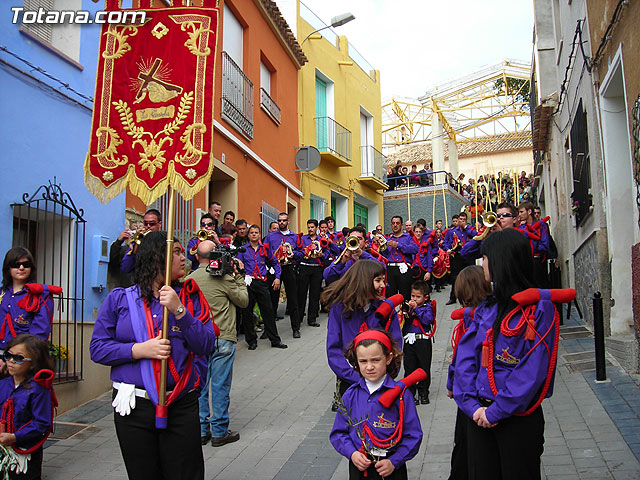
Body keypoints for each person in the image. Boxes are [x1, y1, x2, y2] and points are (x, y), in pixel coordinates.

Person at [90, 231, 216, 480]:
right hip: (134, 407)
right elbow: (98, 348)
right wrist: (137, 350)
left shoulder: (189, 297)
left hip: (181, 404)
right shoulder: (119, 300)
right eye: (177, 251)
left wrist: (180, 311)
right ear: (158, 257)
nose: (184, 257)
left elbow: (206, 344)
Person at [453, 229, 575, 479]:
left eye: (485, 257)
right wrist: (472, 406)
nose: (482, 263)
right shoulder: (486, 306)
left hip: (516, 418)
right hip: (478, 416)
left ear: (500, 259)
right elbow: (466, 359)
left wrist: (495, 412)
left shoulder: (539, 309)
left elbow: (532, 371)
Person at [330, 329, 423, 480]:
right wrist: (352, 454)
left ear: (388, 358)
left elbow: (414, 435)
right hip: (360, 467)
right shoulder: (351, 394)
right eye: (363, 361)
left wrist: (395, 460)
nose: (369, 367)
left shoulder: (401, 395)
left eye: (375, 360)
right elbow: (338, 433)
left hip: (390, 467)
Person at [187, 240, 248, 447]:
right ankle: (220, 431)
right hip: (222, 337)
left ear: (197, 257)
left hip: (198, 339)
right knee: (220, 385)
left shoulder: (190, 279)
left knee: (200, 386)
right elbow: (243, 301)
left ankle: (202, 429)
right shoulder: (224, 277)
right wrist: (238, 276)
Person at [322, 260, 403, 402]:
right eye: (378, 281)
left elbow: (396, 345)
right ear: (363, 281)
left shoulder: (387, 310)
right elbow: (333, 349)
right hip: (350, 380)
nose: (383, 286)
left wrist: (386, 374)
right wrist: (354, 377)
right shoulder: (340, 309)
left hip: (380, 381)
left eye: (383, 280)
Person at [446, 265, 492, 480]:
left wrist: (453, 383)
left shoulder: (480, 317)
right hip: (470, 396)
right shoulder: (474, 315)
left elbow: (465, 358)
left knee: (471, 453)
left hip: (474, 398)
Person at [0, 334, 56, 479]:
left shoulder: (39, 389)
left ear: (33, 363)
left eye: (18, 358)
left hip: (25, 449)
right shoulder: (3, 384)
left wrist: (14, 437)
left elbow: (41, 423)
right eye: (8, 355)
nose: (11, 361)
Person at [0, 247, 59, 356]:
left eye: (26, 264)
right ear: (8, 268)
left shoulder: (41, 296)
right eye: (16, 265)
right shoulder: (2, 293)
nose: (21, 268)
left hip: (23, 357)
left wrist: (15, 357)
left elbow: (40, 333)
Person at [235, 225, 287, 349]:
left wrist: (277, 278)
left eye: (256, 232)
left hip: (262, 283)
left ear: (259, 235)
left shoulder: (265, 249)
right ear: (248, 235)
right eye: (251, 232)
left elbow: (275, 263)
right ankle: (251, 341)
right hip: (248, 283)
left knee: (268, 311)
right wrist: (238, 263)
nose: (254, 234)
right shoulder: (243, 249)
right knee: (247, 312)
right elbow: (236, 262)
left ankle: (274, 340)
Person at [263, 213, 302, 338]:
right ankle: (268, 330)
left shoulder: (295, 237)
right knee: (272, 300)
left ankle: (296, 328)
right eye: (279, 221)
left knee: (293, 299)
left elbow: (302, 253)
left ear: (288, 221)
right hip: (275, 269)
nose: (281, 223)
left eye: (284, 221)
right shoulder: (271, 236)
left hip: (289, 267)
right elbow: (264, 251)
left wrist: (293, 254)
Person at [402, 280, 435, 405]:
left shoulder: (428, 307)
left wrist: (417, 310)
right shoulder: (408, 307)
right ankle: (410, 392)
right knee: (409, 367)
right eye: (412, 296)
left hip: (422, 340)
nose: (414, 299)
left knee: (424, 366)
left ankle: (423, 392)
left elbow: (428, 320)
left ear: (425, 297)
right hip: (409, 340)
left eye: (418, 297)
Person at [296, 219, 327, 330]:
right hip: (304, 266)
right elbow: (296, 252)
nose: (310, 229)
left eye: (312, 227)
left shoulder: (322, 240)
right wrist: (304, 252)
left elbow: (327, 252)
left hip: (317, 268)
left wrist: (321, 254)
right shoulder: (302, 239)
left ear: (317, 228)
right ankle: (298, 319)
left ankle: (312, 319)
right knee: (301, 294)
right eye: (308, 227)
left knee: (314, 294)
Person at [382, 216, 419, 301]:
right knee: (390, 296)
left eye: (397, 223)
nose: (395, 225)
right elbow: (384, 255)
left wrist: (398, 245)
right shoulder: (387, 239)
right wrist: (381, 246)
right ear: (391, 225)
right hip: (390, 269)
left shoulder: (408, 237)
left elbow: (415, 249)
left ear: (402, 225)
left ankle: (405, 313)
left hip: (404, 269)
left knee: (405, 296)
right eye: (393, 223)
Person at [444, 212, 477, 305]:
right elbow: (445, 242)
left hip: (468, 255)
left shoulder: (470, 229)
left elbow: (476, 236)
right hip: (456, 256)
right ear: (457, 220)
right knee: (455, 277)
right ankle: (453, 297)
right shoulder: (452, 231)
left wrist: (466, 228)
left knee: (471, 276)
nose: (462, 221)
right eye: (460, 220)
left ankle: (473, 296)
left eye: (464, 220)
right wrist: (448, 249)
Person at [120, 209, 163, 274]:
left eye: (152, 224)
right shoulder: (137, 241)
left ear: (159, 224)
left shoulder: (163, 240)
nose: (148, 226)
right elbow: (125, 268)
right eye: (146, 223)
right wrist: (136, 247)